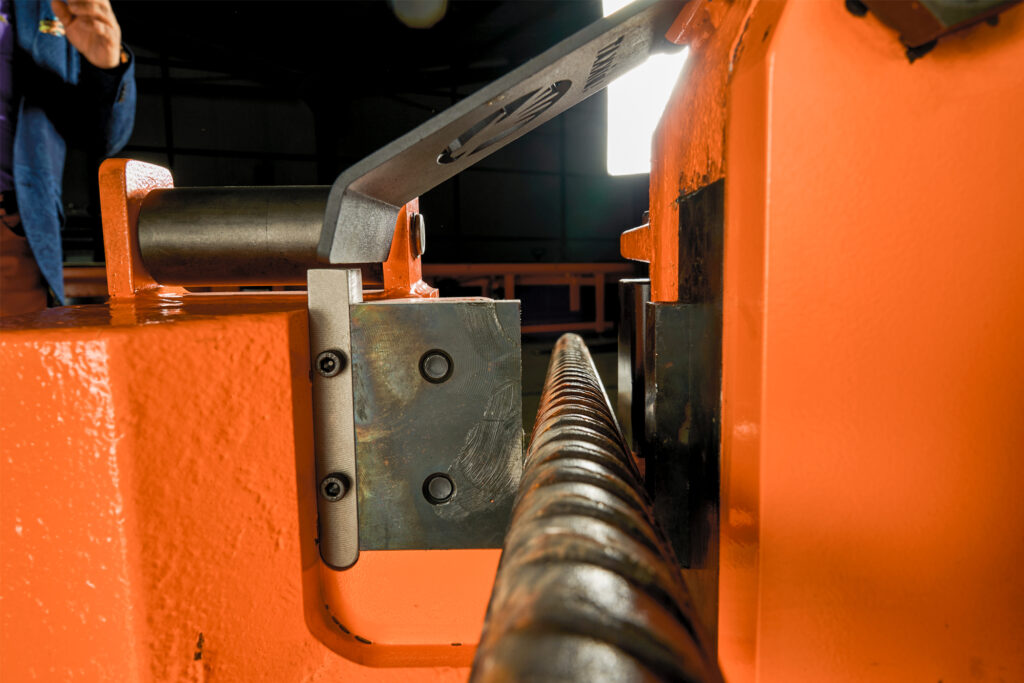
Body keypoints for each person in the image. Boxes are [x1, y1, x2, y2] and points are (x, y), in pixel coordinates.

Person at [0, 0, 135, 316]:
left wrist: (105, 69)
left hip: (11, 237)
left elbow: (102, 137)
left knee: (17, 361)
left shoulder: (56, 9)